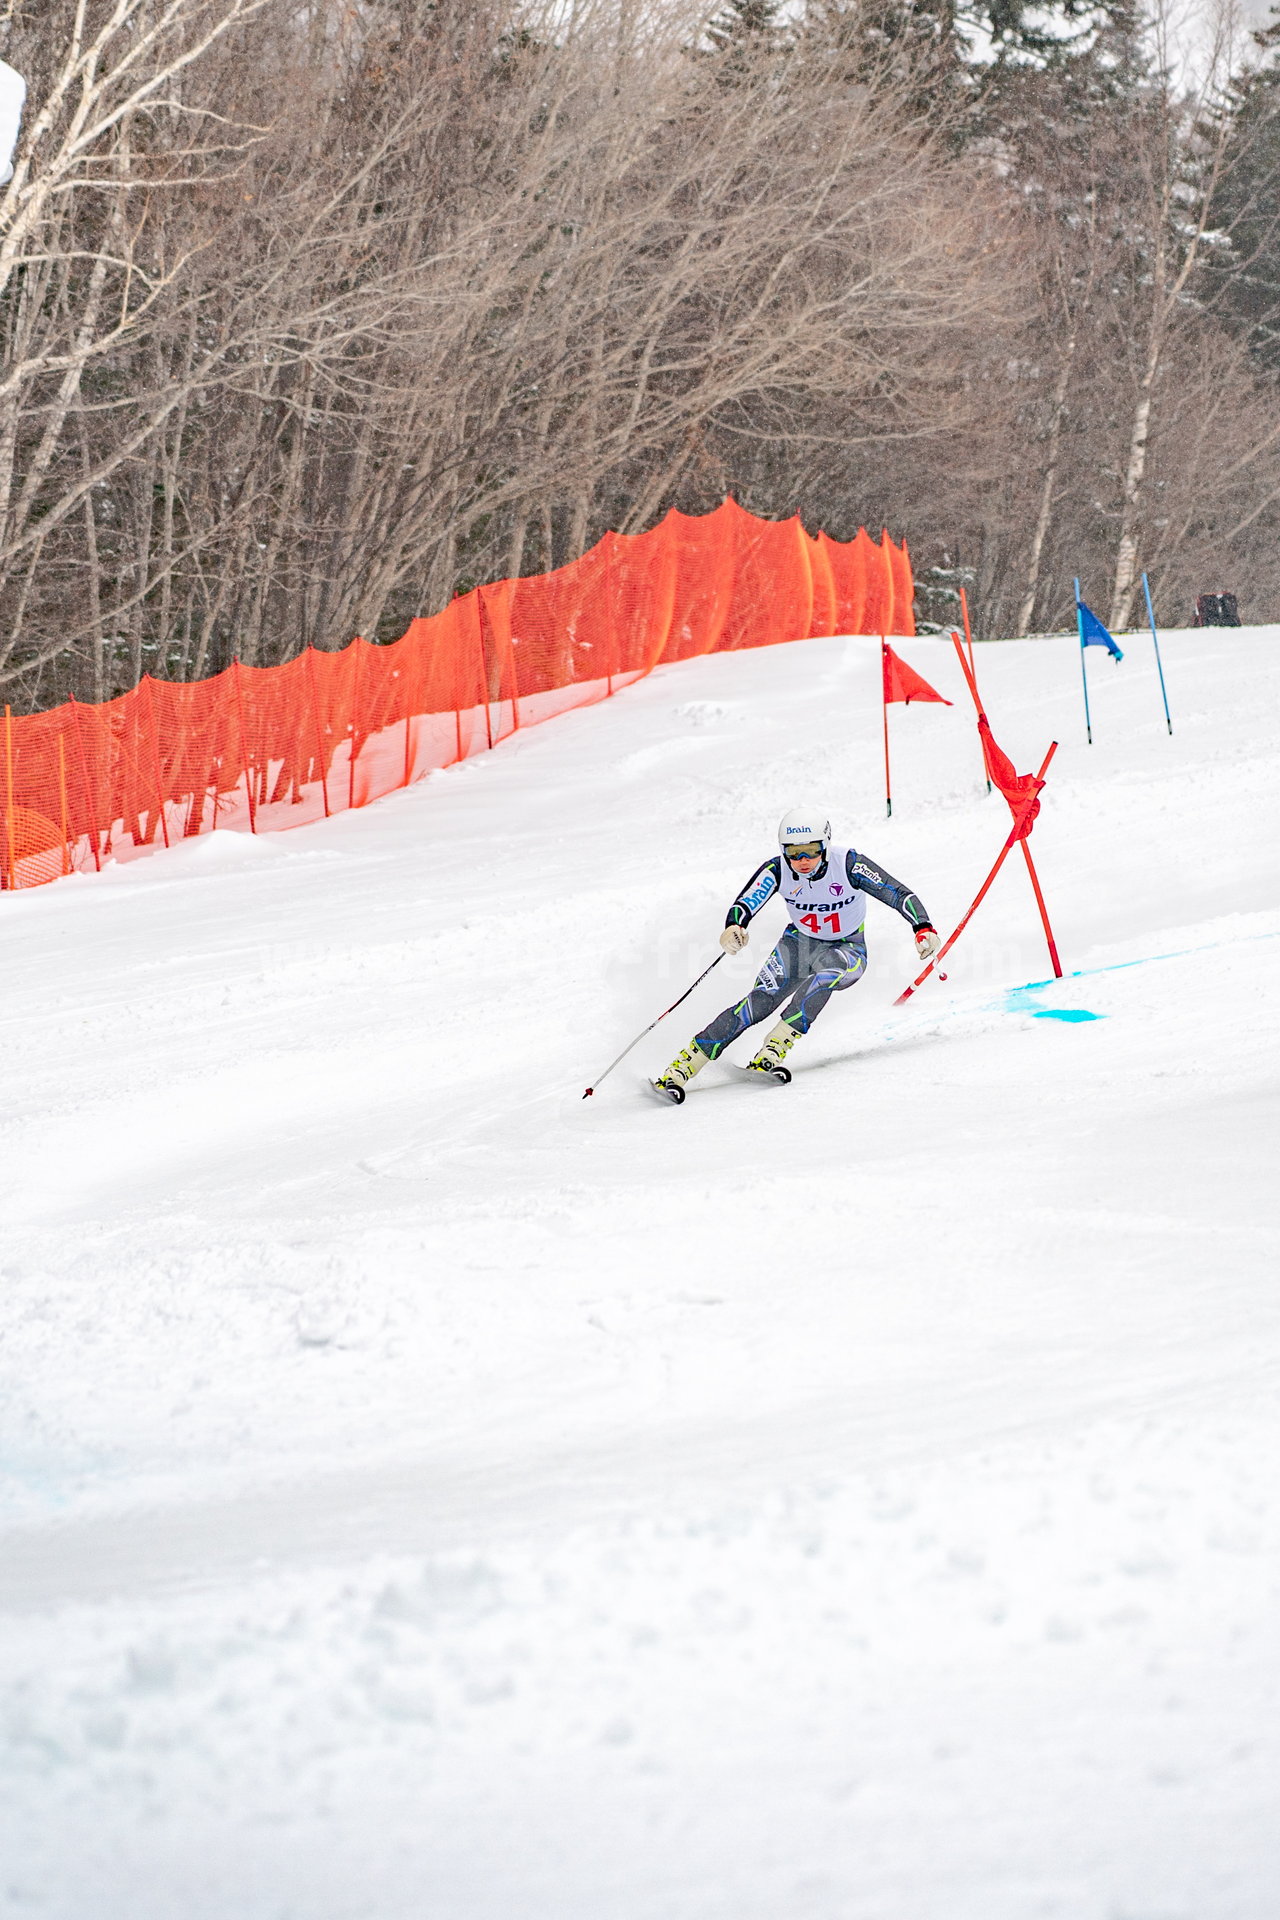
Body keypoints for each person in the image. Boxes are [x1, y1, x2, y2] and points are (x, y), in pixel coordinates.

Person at [653, 809, 939, 1100]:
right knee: (760, 1002)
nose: (802, 861)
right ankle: (685, 1065)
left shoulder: (849, 864)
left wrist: (923, 928)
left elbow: (897, 893)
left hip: (848, 948)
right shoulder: (777, 869)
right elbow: (746, 902)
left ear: (825, 846)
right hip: (798, 943)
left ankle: (775, 1046)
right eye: (794, 853)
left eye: (811, 852)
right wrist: (734, 927)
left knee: (828, 971)